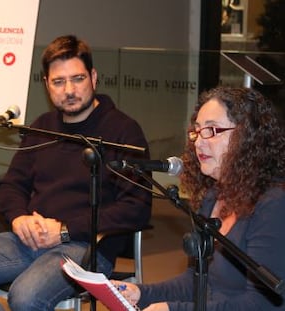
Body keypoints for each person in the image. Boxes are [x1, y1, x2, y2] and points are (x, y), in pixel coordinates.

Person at [0, 34, 152, 310]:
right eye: (59, 82)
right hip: (30, 238)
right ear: (47, 85)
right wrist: (19, 219)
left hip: (87, 245)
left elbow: (136, 208)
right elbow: (12, 185)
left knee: (25, 297)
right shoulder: (42, 127)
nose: (69, 90)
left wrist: (64, 230)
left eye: (78, 79)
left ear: (94, 77)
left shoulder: (122, 131)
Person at [112, 86, 285, 311]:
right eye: (196, 131)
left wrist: (174, 309)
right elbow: (195, 281)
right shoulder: (213, 197)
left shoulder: (273, 204)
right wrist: (142, 293)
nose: (199, 142)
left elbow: (265, 305)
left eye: (212, 130)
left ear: (247, 136)